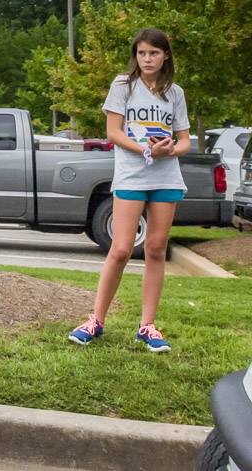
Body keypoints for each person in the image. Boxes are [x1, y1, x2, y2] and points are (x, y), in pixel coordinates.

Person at [69, 27, 191, 353]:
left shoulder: (175, 93)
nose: (147, 59)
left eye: (154, 52)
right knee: (121, 248)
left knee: (155, 248)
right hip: (131, 177)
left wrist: (169, 150)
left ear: (165, 56)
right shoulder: (123, 86)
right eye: (142, 53)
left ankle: (147, 326)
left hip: (166, 178)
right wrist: (146, 150)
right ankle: (95, 320)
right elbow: (112, 132)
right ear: (135, 55)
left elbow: (184, 140)